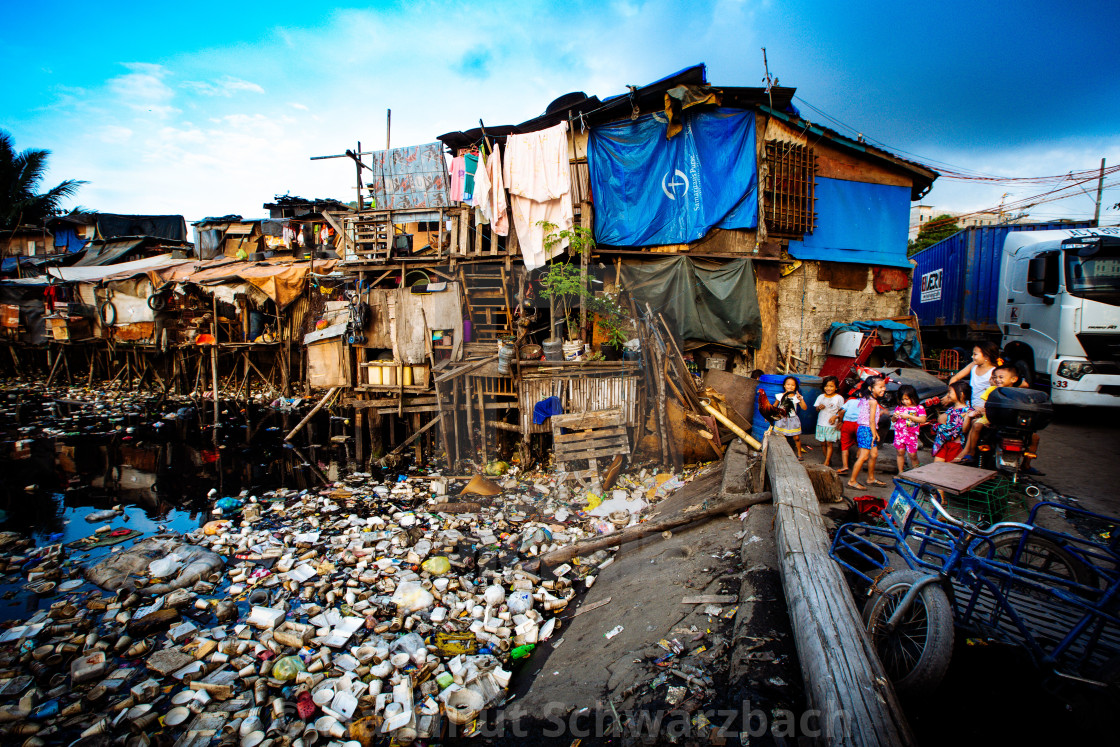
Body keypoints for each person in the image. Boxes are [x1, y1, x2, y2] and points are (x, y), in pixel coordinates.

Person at [847, 376, 887, 489]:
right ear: (871, 388)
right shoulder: (873, 402)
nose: (883, 389)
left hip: (866, 429)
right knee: (864, 457)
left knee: (874, 455)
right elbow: (871, 420)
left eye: (884, 387)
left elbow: (872, 419)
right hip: (866, 430)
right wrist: (874, 433)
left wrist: (875, 432)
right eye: (880, 387)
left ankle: (871, 478)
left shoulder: (866, 398)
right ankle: (852, 481)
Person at [948, 341, 1000, 412]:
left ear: (986, 356)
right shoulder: (973, 365)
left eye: (975, 354)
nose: (972, 356)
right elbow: (955, 378)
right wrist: (950, 394)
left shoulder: (994, 372)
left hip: (983, 408)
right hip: (968, 405)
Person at [933, 381, 973, 462]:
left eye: (950, 392)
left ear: (961, 395)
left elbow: (965, 429)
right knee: (936, 465)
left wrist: (968, 417)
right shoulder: (951, 409)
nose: (948, 395)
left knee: (949, 468)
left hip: (956, 445)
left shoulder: (968, 411)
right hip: (944, 442)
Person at [891, 384, 927, 475]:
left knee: (913, 455)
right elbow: (893, 420)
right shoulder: (899, 408)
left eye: (906, 399)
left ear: (913, 397)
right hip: (899, 433)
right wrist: (894, 417)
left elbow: (923, 420)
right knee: (900, 452)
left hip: (911, 434)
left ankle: (917, 474)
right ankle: (901, 472)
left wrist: (908, 416)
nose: (904, 402)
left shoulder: (919, 408)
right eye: (902, 399)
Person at [773, 376, 808, 460]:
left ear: (795, 386)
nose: (790, 386)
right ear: (784, 385)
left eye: (792, 385)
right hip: (781, 419)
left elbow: (804, 408)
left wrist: (801, 400)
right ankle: (781, 453)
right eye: (788, 384)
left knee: (796, 437)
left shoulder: (797, 397)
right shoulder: (779, 396)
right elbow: (774, 406)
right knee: (781, 437)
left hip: (792, 419)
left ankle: (799, 454)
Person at [814, 376, 844, 469]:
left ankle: (826, 462)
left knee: (829, 443)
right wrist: (819, 407)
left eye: (831, 386)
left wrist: (836, 417)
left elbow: (842, 411)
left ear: (836, 388)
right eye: (826, 386)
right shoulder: (821, 397)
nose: (828, 388)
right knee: (822, 443)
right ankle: (828, 460)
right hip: (821, 423)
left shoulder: (839, 398)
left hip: (831, 424)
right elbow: (816, 409)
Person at [836, 394, 862, 476]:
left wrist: (840, 421)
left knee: (844, 446)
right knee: (860, 443)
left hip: (847, 424)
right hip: (859, 424)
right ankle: (859, 458)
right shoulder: (867, 402)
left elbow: (841, 411)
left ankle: (845, 466)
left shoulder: (850, 401)